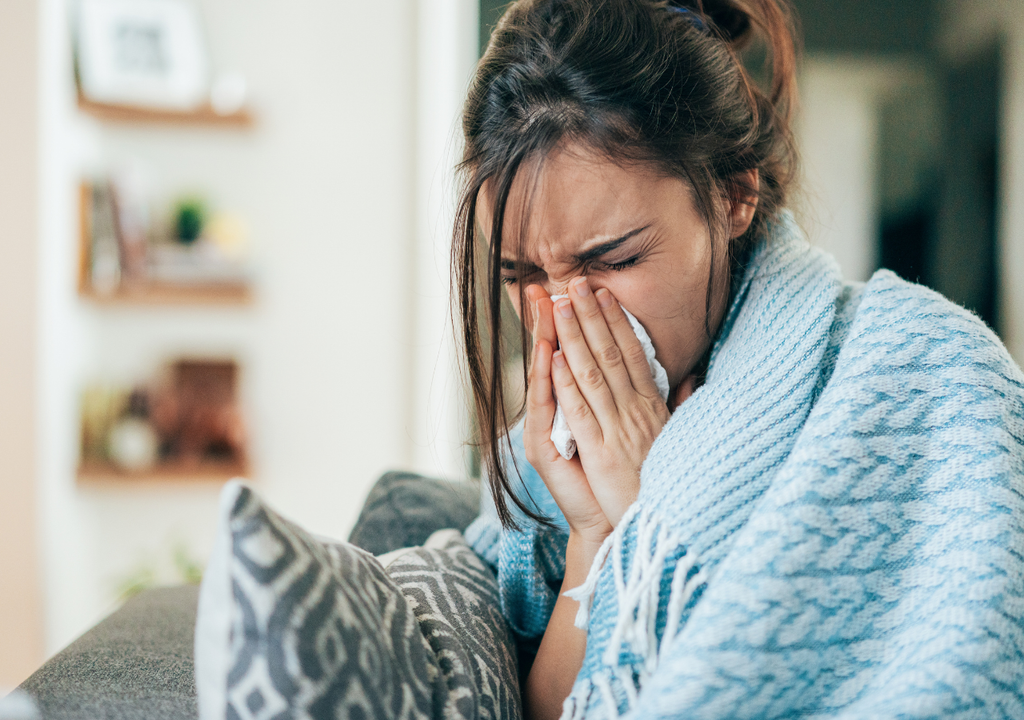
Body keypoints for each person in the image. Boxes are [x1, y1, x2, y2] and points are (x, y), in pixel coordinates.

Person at [452, 1, 1024, 719]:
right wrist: (598, 535)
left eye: (615, 259)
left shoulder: (926, 374)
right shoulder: (540, 470)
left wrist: (656, 511)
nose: (565, 318)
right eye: (521, 277)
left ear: (734, 195)